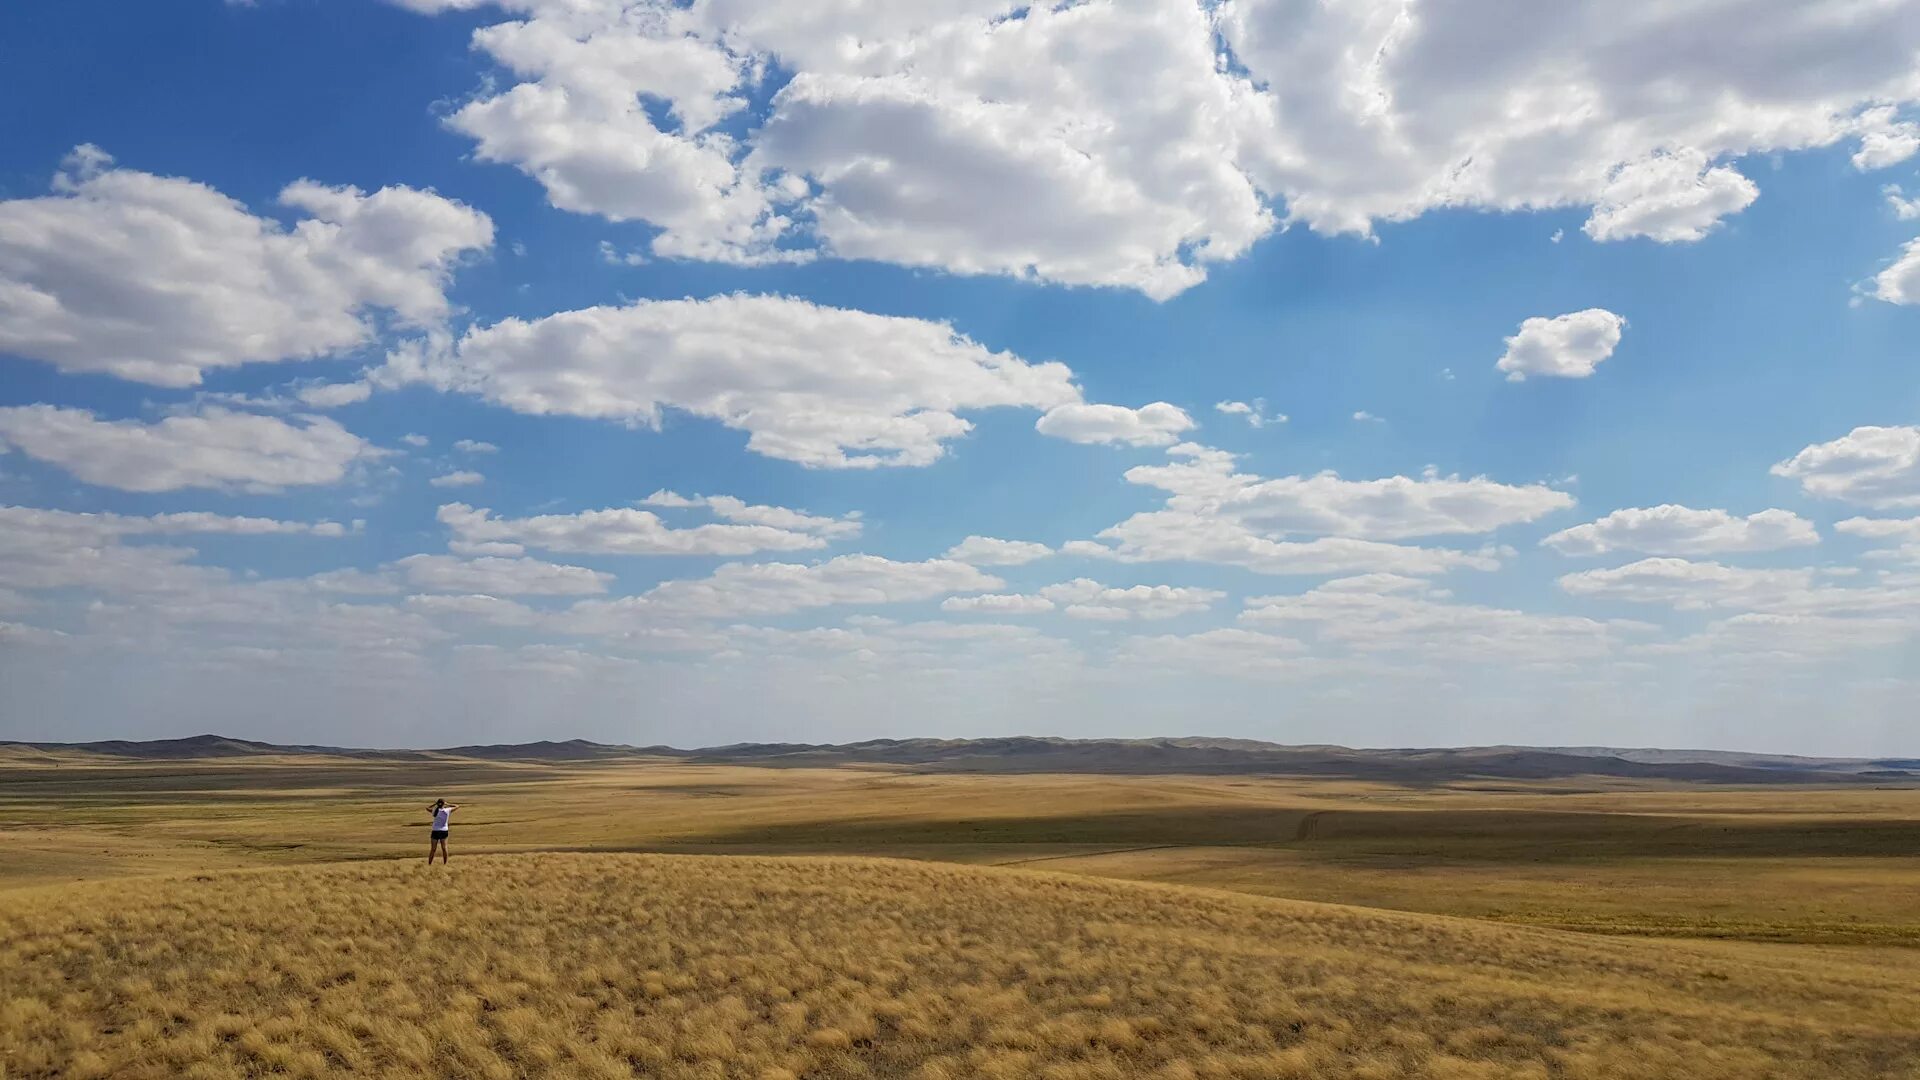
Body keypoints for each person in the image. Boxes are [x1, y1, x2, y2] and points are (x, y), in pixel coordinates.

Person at [426, 798, 459, 864]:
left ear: (438, 804)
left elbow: (427, 808)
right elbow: (457, 806)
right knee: (444, 848)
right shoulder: (447, 810)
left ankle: (429, 864)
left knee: (433, 849)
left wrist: (435, 804)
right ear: (443, 804)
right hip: (444, 831)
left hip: (435, 831)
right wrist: (448, 804)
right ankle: (445, 863)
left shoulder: (435, 811)